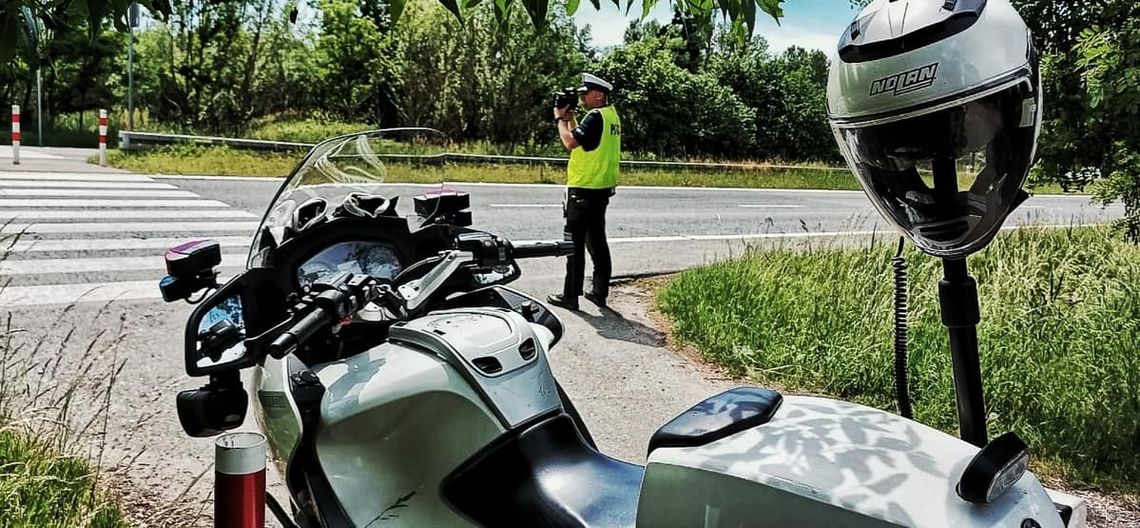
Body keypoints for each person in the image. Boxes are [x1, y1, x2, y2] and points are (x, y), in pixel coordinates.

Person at [547, 73, 621, 311]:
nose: (583, 98)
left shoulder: (596, 117)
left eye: (585, 93)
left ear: (599, 94)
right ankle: (599, 292)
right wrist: (571, 119)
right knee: (597, 241)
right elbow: (585, 140)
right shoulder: (611, 116)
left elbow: (570, 142)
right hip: (600, 188)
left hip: (583, 189)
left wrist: (560, 119)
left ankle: (570, 296)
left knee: (574, 244)